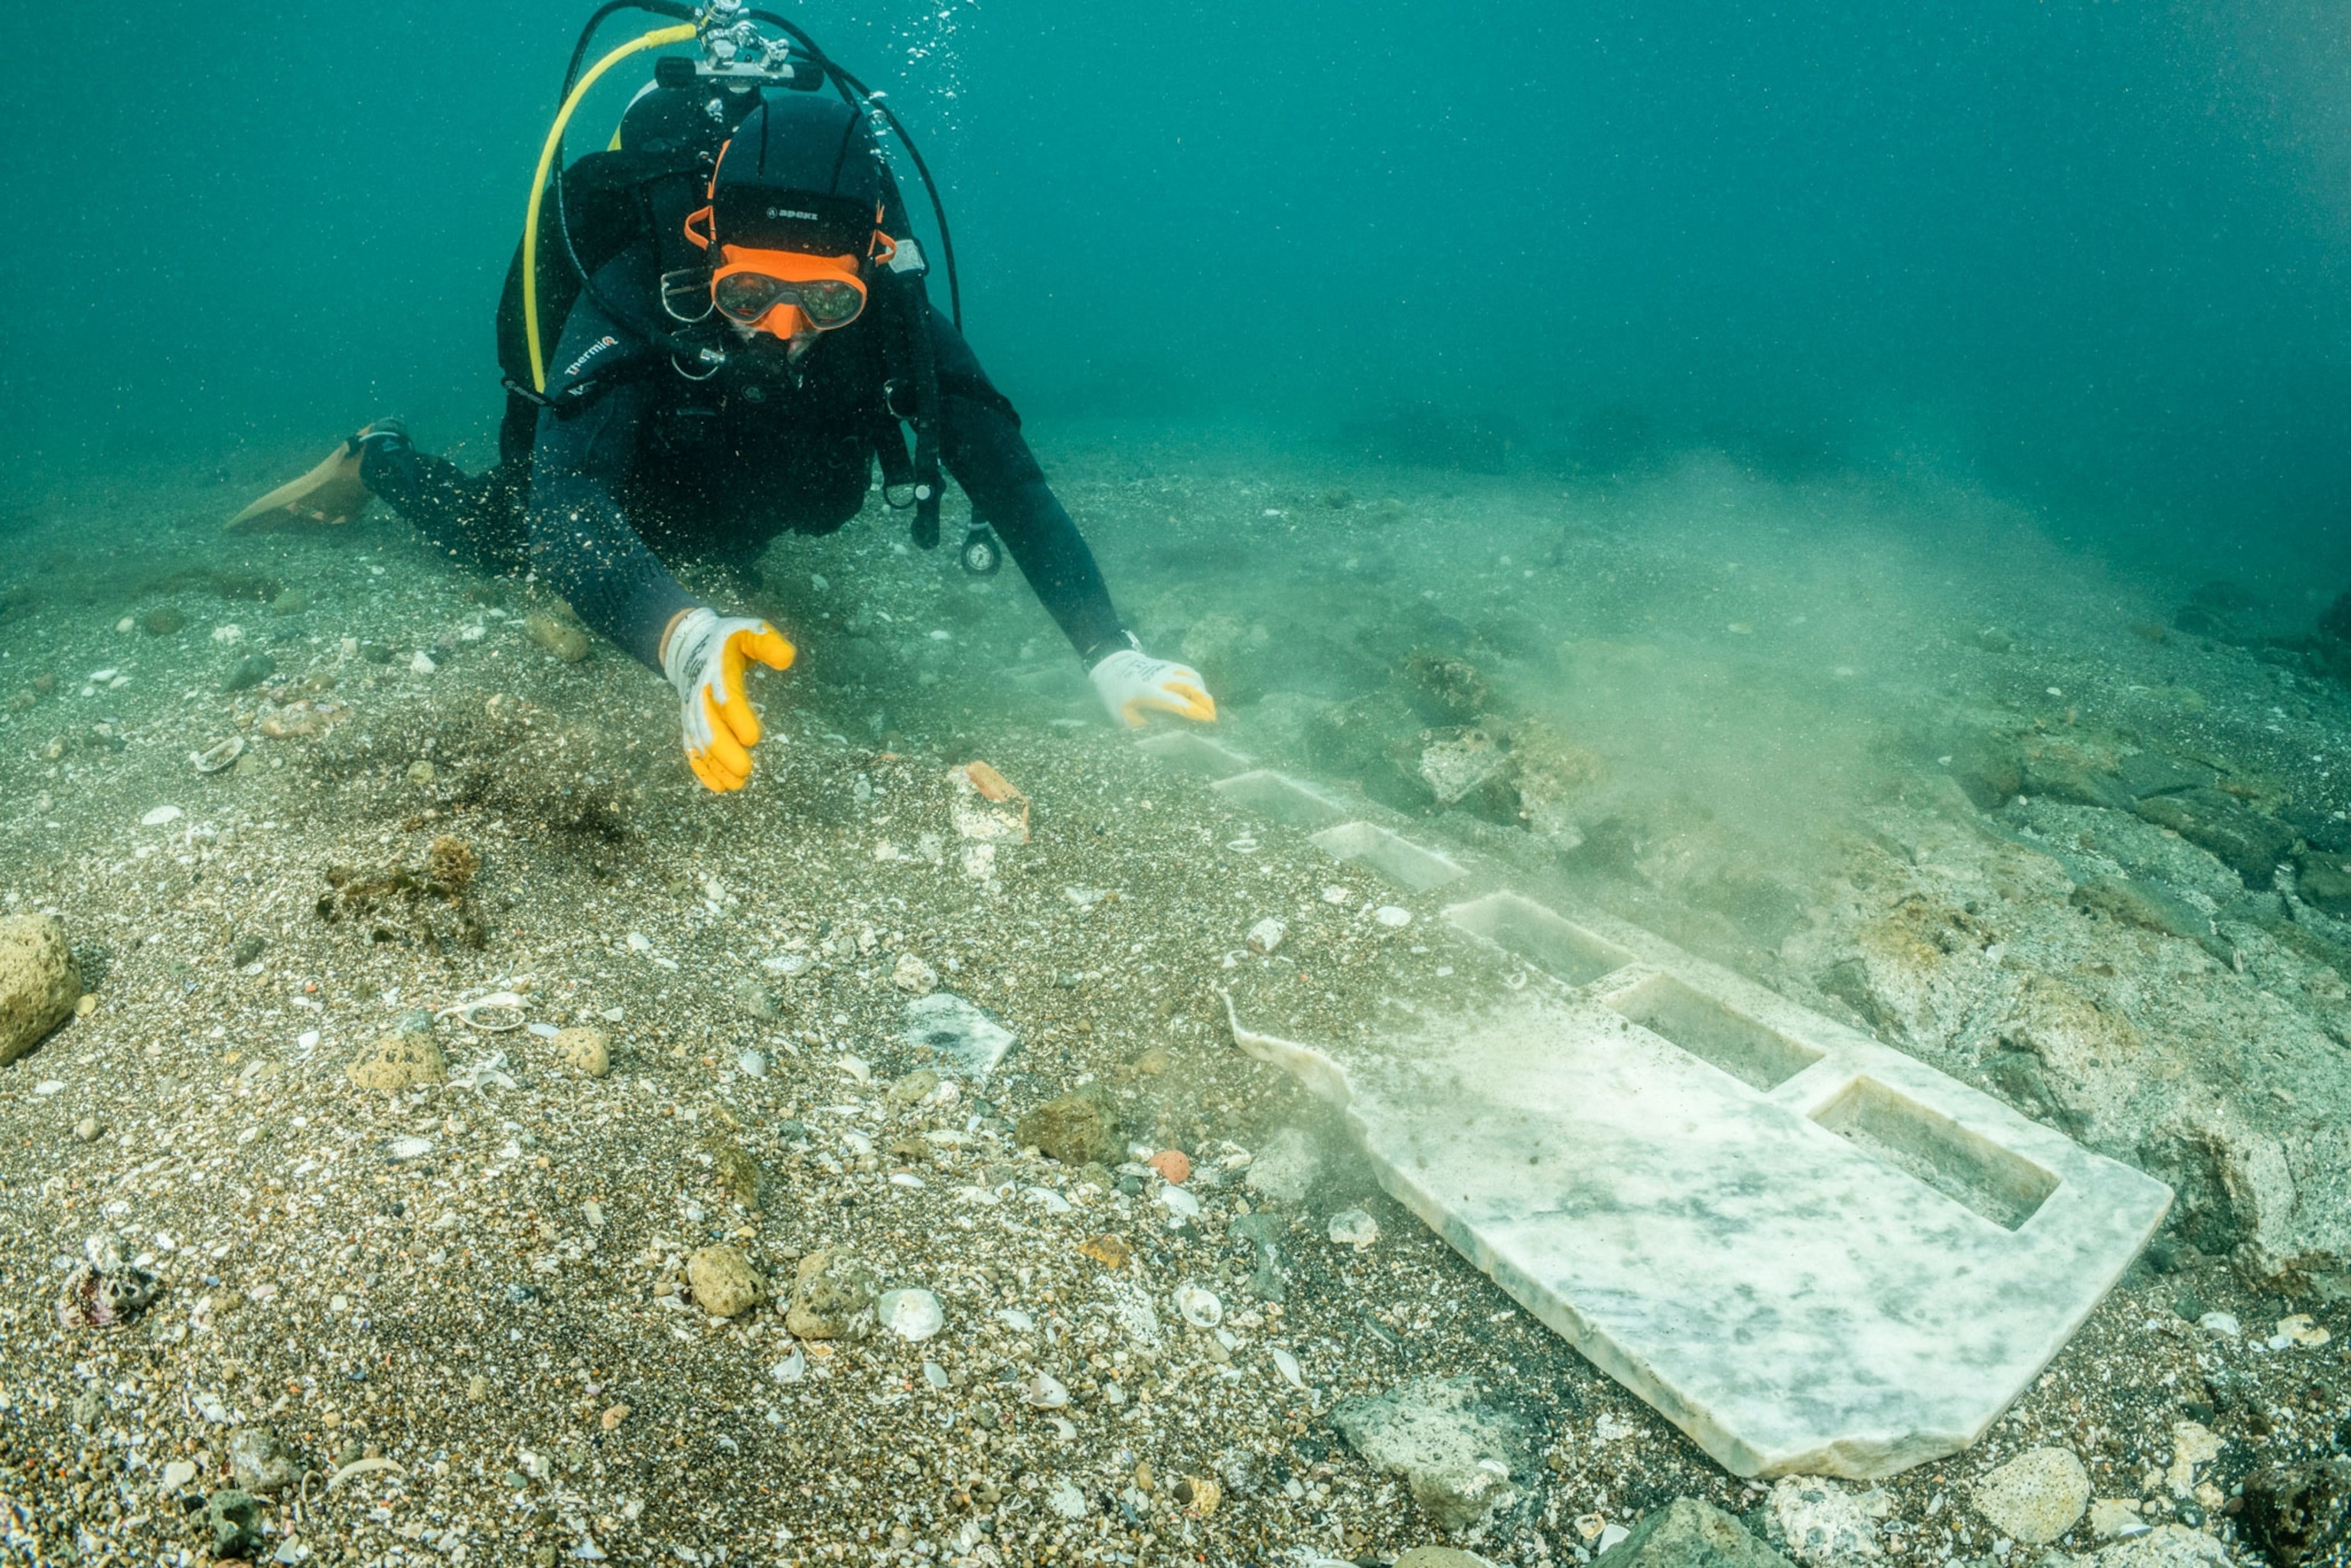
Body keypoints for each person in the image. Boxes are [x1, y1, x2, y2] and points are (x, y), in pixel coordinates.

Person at [233, 86, 1214, 793]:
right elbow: (569, 512)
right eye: (751, 295)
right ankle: (376, 453)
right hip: (633, 464)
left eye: (825, 301)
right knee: (505, 538)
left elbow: (1011, 479)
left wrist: (1109, 650)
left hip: (732, 485)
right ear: (708, 241)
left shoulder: (895, 317)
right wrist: (684, 639)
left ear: (869, 268)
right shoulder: (640, 279)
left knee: (754, 520)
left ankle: (688, 564)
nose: (784, 328)